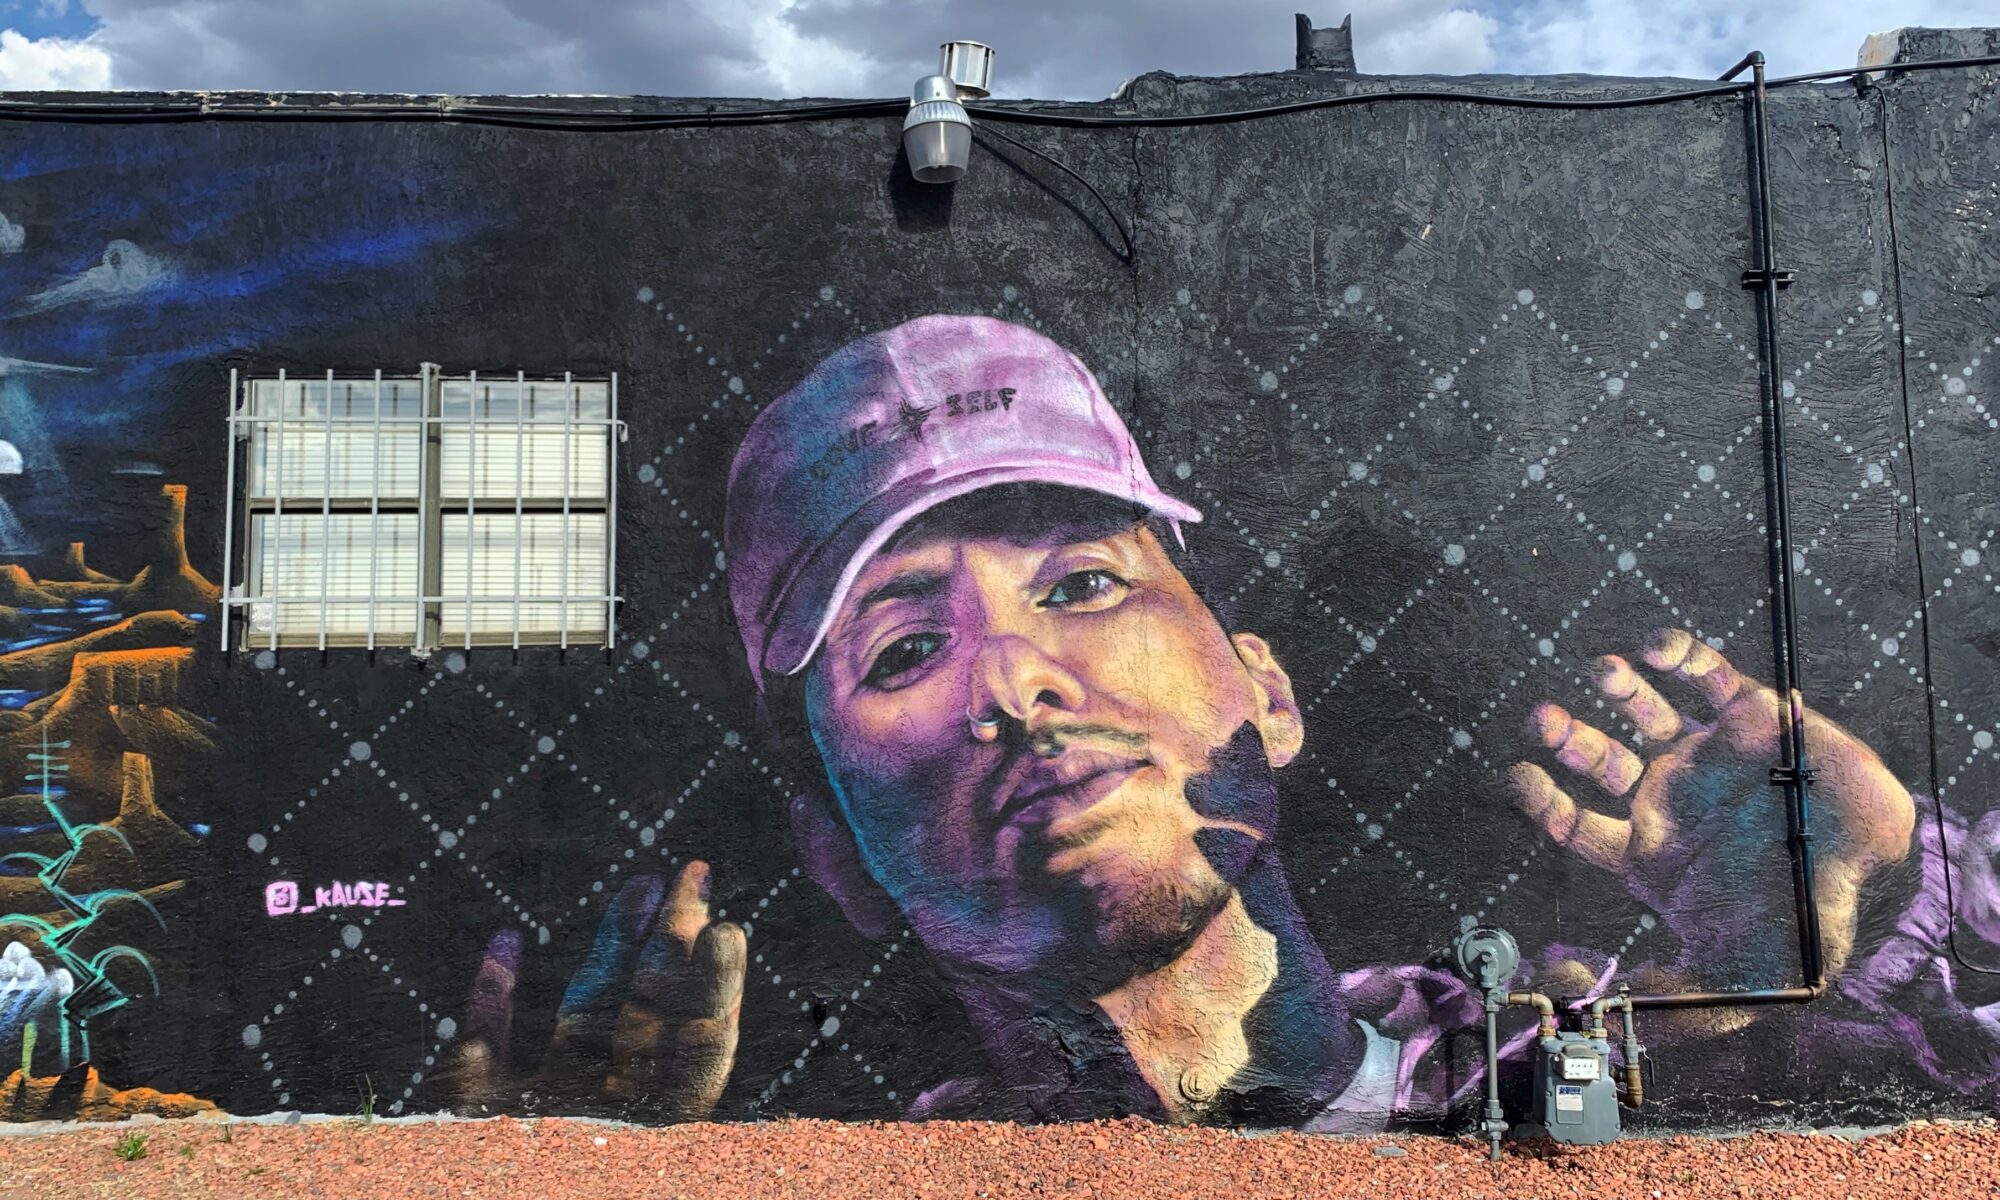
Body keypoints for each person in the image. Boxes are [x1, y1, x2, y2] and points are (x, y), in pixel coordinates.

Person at [452, 314, 1947, 1126]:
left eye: (1085, 583)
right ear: (833, 845)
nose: (1015, 681)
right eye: (906, 645)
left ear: (1266, 692)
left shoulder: (1583, 1070)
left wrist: (1825, 954)